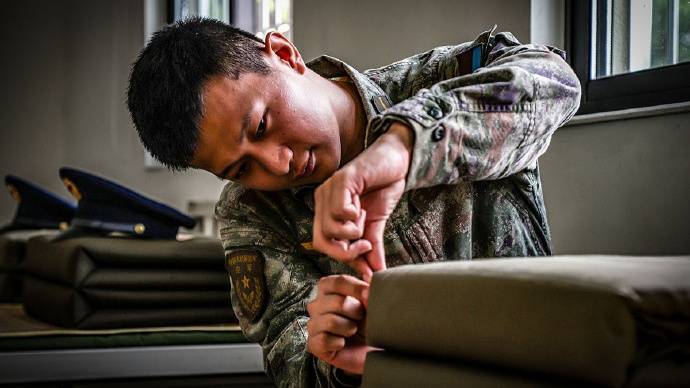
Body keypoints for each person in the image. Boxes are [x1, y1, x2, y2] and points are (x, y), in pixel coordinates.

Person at [127, 17, 580, 387]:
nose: (277, 164)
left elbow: (555, 82)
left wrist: (404, 145)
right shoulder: (251, 212)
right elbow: (290, 352)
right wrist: (334, 356)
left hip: (545, 365)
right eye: (242, 168)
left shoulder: (445, 78)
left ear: (284, 54)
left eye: (262, 126)